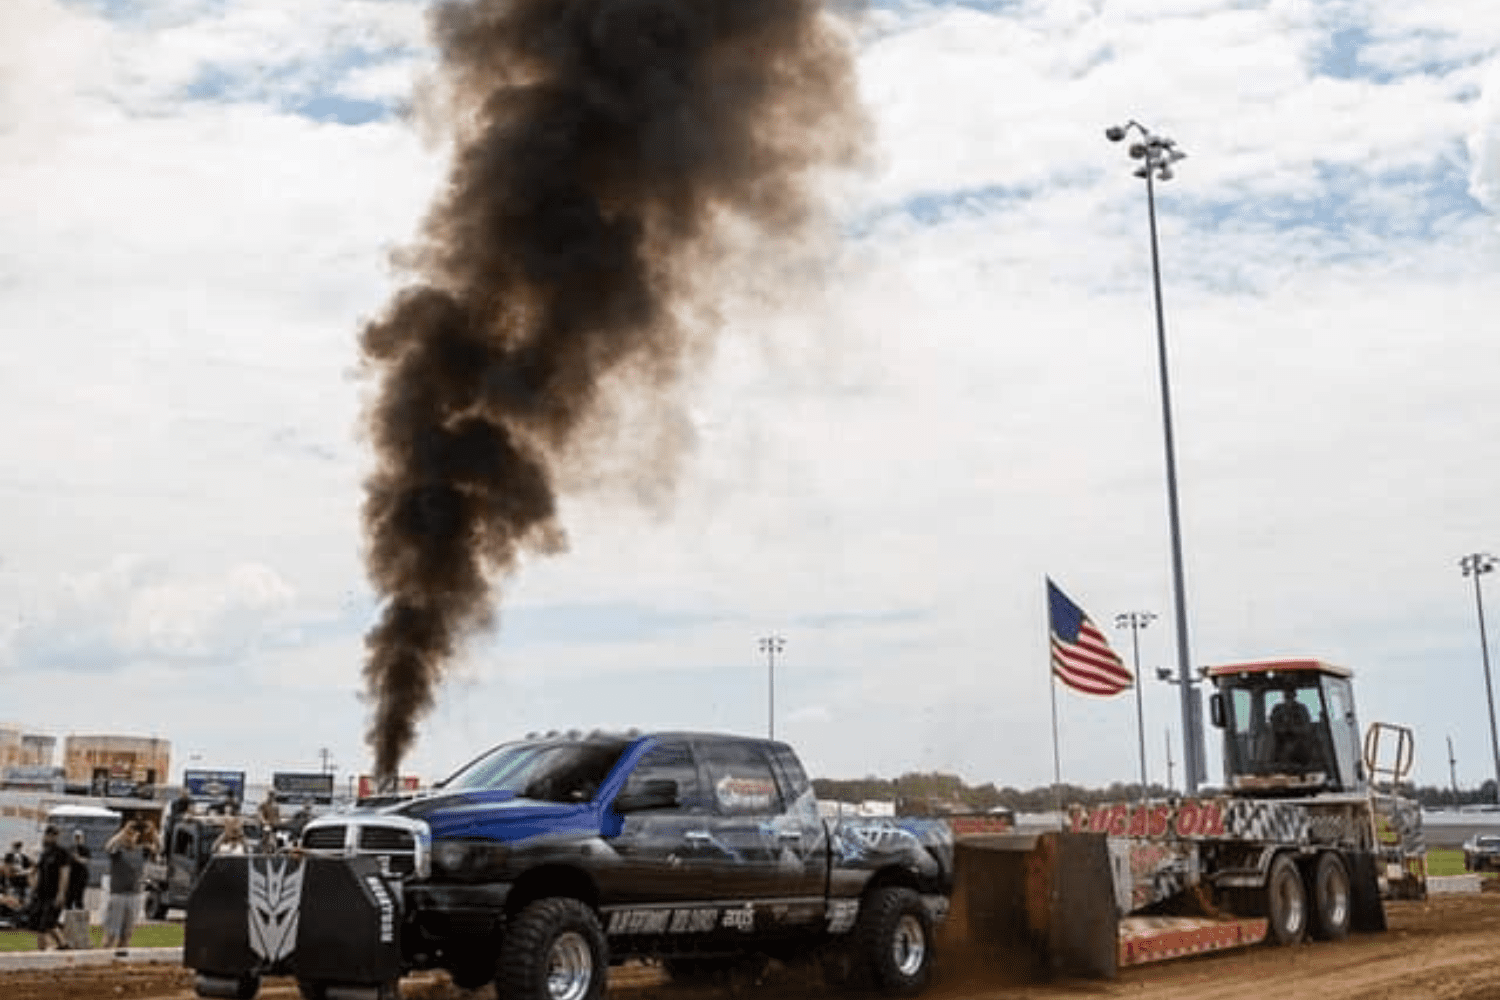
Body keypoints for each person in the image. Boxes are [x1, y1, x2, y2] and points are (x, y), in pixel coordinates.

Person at [102, 820, 149, 954]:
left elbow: (160, 847)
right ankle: (104, 957)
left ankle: (120, 959)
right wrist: (123, 831)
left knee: (127, 933)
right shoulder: (118, 851)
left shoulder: (141, 852)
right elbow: (109, 846)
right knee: (111, 933)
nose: (131, 837)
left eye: (134, 835)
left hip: (134, 894)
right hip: (118, 895)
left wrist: (153, 831)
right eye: (129, 834)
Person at [26, 826, 70, 950]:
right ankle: (63, 945)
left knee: (43, 926)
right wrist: (33, 884)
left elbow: (64, 874)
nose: (50, 838)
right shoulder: (45, 853)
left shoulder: (61, 852)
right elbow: (34, 871)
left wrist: (61, 893)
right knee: (48, 924)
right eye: (48, 835)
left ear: (56, 836)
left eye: (53, 835)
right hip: (41, 894)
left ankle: (42, 951)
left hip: (53, 894)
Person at [1269, 688, 1315, 769]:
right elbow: (1273, 724)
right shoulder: (1278, 708)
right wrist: (1283, 728)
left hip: (1299, 738)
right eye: (1286, 694)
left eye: (1290, 694)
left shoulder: (1301, 709)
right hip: (1281, 738)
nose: (1288, 697)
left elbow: (1306, 726)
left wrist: (1295, 728)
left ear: (1295, 695)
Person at [64, 830, 91, 912]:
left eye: (79, 838)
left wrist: (78, 858)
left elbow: (87, 861)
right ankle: (67, 919)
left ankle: (79, 920)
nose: (77, 839)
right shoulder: (70, 849)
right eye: (76, 837)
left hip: (80, 877)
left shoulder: (85, 849)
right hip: (70, 877)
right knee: (68, 898)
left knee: (79, 898)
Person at [3, 841, 30, 905]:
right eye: (16, 847)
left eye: (19, 847)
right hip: (12, 877)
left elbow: (28, 867)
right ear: (13, 847)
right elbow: (6, 867)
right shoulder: (8, 856)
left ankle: (21, 904)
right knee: (12, 895)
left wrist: (24, 872)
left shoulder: (24, 857)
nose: (17, 848)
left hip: (22, 878)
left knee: (22, 895)